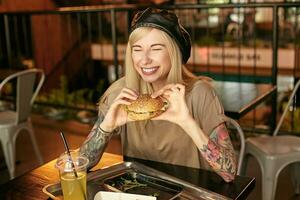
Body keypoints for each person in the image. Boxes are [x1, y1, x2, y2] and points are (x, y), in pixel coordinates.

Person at [80, 8, 237, 182]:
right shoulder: (121, 94)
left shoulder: (200, 94)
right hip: (138, 190)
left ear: (174, 52)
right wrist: (106, 127)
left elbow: (229, 173)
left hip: (188, 191)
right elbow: (82, 165)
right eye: (137, 49)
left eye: (156, 48)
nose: (144, 59)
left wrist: (187, 122)